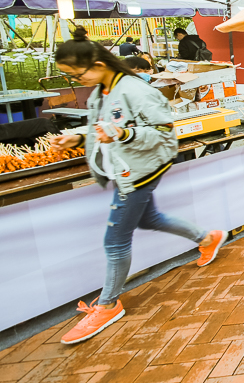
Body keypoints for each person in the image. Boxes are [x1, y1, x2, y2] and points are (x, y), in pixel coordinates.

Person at [52, 27, 227, 345]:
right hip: (124, 169)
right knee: (149, 219)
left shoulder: (135, 89)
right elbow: (101, 128)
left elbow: (164, 134)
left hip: (138, 173)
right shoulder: (100, 93)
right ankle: (208, 238)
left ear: (97, 65)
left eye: (76, 74)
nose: (76, 81)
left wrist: (123, 135)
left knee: (115, 240)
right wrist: (79, 137)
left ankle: (108, 304)